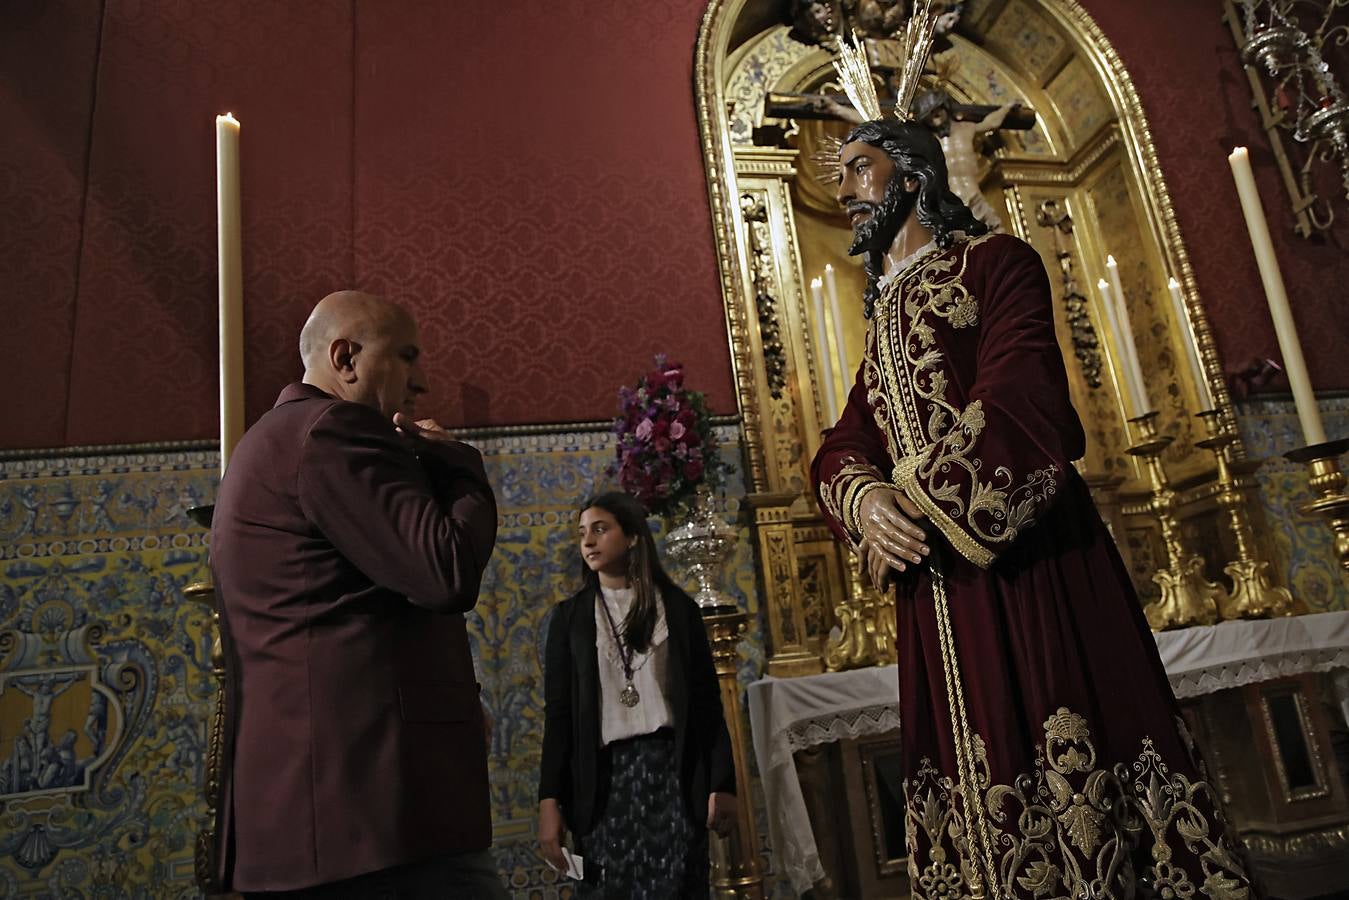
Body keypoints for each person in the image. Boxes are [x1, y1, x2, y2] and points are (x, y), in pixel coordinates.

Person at [812, 120, 1257, 896]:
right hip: (936, 589)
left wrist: (910, 502)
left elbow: (1023, 397)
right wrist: (864, 497)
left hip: (1026, 564)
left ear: (912, 177)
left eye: (859, 169)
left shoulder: (996, 263)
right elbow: (847, 436)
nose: (843, 190)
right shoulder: (880, 316)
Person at [209, 290, 506, 898]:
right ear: (345, 358)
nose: (421, 381)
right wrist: (459, 467)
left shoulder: (273, 440)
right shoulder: (334, 431)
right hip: (373, 811)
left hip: (318, 814)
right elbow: (444, 571)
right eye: (406, 355)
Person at [537, 491, 736, 898]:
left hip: (672, 776)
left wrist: (723, 782)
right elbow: (559, 717)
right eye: (581, 533)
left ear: (631, 538)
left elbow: (706, 705)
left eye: (600, 529)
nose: (588, 541)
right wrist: (549, 801)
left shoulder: (678, 610)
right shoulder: (570, 619)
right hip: (604, 783)